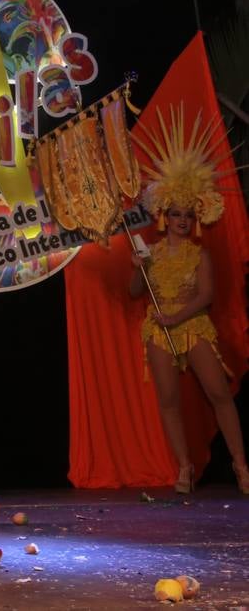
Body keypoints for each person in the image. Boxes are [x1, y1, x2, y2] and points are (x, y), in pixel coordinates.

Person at [129, 110, 248, 494]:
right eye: (175, 214)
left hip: (191, 325)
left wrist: (176, 315)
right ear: (165, 216)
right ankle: (184, 467)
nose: (181, 220)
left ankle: (242, 466)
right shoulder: (152, 252)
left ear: (195, 217)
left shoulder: (200, 255)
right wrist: (138, 267)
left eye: (187, 215)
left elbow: (207, 296)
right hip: (159, 331)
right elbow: (135, 291)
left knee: (218, 392)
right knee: (168, 399)